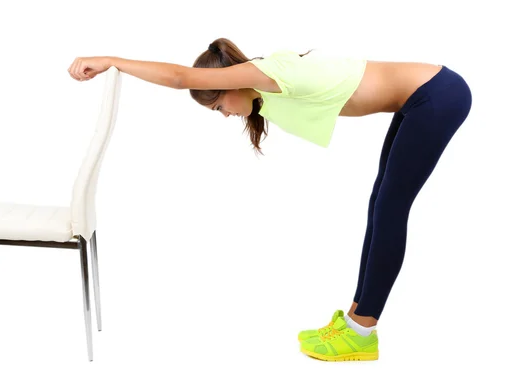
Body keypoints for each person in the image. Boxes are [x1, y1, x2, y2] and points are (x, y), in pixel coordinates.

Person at [67, 37, 472, 361]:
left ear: (229, 85)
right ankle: (354, 321)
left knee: (390, 208)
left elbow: (179, 77)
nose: (224, 114)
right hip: (424, 96)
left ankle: (362, 332)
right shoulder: (262, 86)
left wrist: (110, 60)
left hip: (436, 96)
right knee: (380, 202)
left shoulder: (270, 74)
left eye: (219, 104)